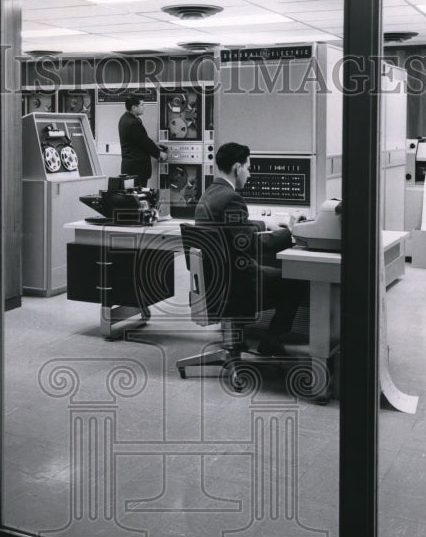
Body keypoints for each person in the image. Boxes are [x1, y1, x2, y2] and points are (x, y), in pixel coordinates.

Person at [194, 142, 307, 356]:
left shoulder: (210, 193)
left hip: (216, 282)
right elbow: (251, 244)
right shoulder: (232, 198)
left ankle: (253, 339)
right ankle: (272, 339)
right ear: (238, 168)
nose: (250, 174)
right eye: (248, 167)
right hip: (238, 285)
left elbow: (234, 227)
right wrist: (289, 233)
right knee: (296, 279)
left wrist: (266, 224)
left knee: (276, 273)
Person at [118, 94, 167, 188]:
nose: (144, 107)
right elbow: (144, 143)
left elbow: (139, 140)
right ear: (134, 107)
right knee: (138, 197)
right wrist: (159, 154)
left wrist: (155, 144)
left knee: (135, 197)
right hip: (137, 170)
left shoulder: (125, 118)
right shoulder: (133, 123)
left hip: (131, 168)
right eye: (142, 105)